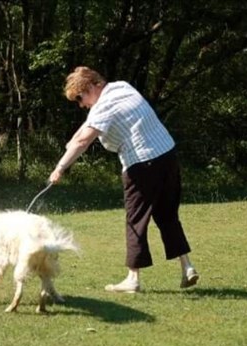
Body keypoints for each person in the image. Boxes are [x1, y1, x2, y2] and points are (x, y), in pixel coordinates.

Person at [48, 66, 199, 292]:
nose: (81, 104)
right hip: (167, 156)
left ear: (90, 87)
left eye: (80, 98)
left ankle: (133, 279)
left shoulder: (103, 108)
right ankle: (187, 267)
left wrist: (60, 168)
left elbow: (84, 141)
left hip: (141, 164)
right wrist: (73, 139)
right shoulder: (121, 87)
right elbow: (87, 126)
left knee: (135, 220)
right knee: (167, 215)